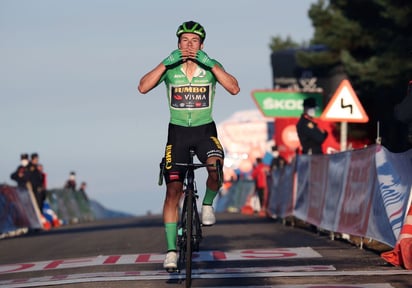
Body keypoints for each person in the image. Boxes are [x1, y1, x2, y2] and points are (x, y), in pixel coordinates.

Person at [138, 20, 240, 271]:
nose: (189, 45)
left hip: (205, 130)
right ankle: (172, 251)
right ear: (178, 44)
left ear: (202, 45)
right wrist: (165, 62)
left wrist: (212, 63)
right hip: (178, 134)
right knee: (173, 189)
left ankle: (207, 204)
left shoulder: (211, 67)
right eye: (185, 41)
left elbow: (234, 88)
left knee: (215, 168)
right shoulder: (171, 68)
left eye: (194, 41)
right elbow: (142, 87)